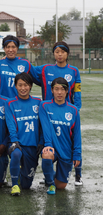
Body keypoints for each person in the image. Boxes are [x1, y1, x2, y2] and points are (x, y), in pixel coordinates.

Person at [32, 41, 83, 185]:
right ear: (53, 54)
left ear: (67, 54)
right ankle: (48, 175)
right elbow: (29, 70)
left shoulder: (74, 70)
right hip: (48, 113)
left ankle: (78, 175)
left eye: (62, 51)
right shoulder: (45, 68)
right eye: (56, 52)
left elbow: (77, 90)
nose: (59, 54)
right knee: (46, 141)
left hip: (67, 112)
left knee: (72, 140)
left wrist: (76, 108)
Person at [39, 77, 82, 195]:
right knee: (47, 154)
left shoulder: (73, 110)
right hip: (52, 146)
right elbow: (46, 127)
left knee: (61, 186)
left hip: (66, 149)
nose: (59, 92)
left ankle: (52, 178)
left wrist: (77, 154)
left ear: (67, 91)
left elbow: (77, 134)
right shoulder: (44, 106)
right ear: (52, 90)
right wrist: (48, 144)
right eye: (56, 89)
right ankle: (50, 183)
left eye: (62, 89)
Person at [5, 73, 43, 196]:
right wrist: (14, 141)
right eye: (20, 85)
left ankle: (21, 177)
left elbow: (42, 125)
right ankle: (14, 184)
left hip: (33, 146)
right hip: (17, 143)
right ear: (15, 86)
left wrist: (41, 141)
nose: (23, 88)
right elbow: (10, 124)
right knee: (16, 153)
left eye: (26, 85)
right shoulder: (10, 103)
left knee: (26, 186)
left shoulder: (38, 102)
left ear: (30, 86)